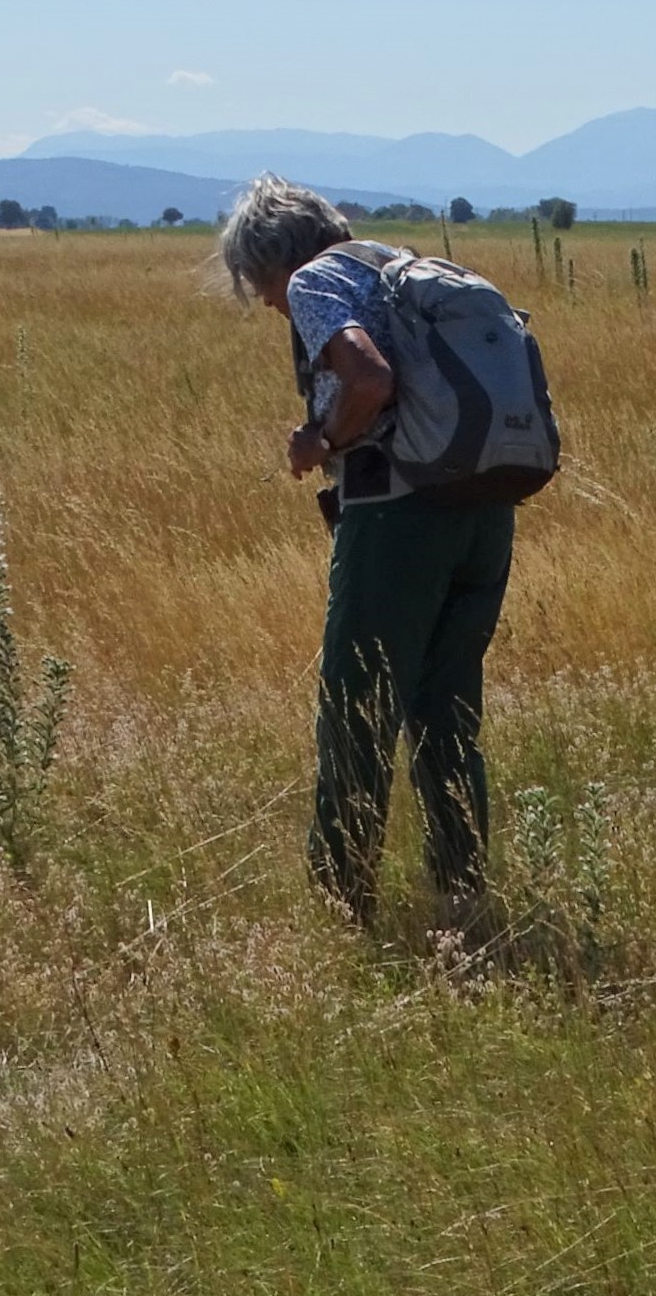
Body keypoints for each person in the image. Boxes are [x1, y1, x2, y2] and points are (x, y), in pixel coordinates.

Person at [218, 176, 515, 934]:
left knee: (356, 713)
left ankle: (339, 911)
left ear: (275, 258)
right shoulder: (398, 265)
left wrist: (320, 441)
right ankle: (462, 901)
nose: (271, 305)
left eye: (260, 286)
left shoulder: (320, 282)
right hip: (484, 515)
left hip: (397, 520)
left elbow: (371, 379)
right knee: (447, 716)